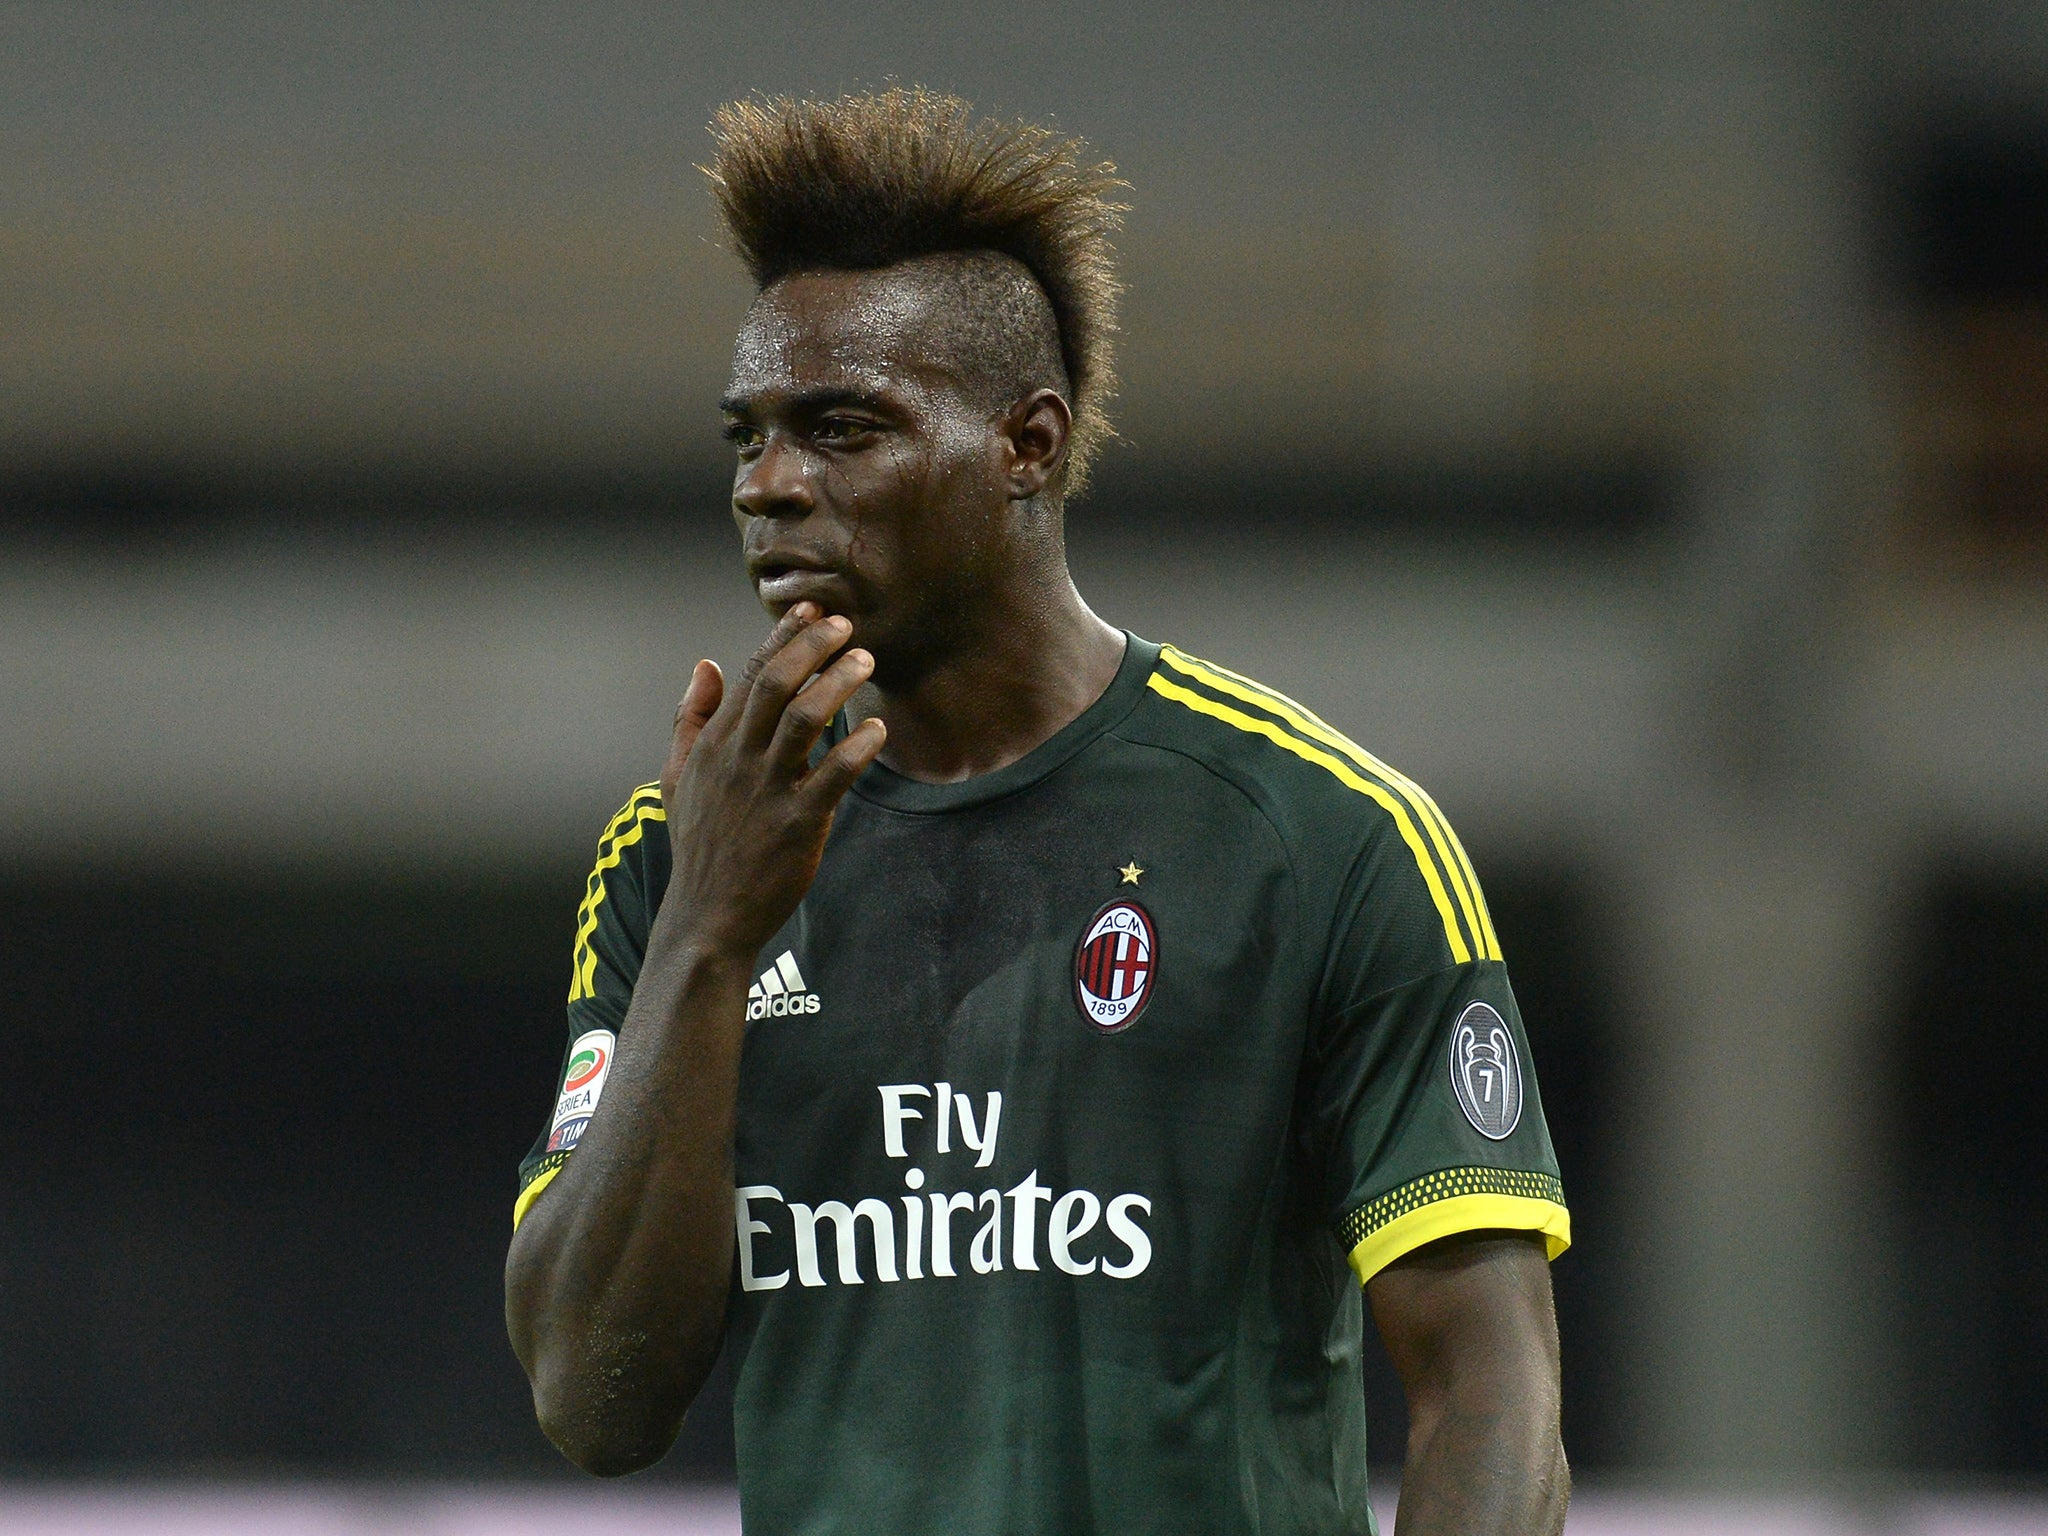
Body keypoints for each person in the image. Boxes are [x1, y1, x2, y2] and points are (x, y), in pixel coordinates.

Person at [505, 88, 1571, 1536]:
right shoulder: (672, 860)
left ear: (1028, 443)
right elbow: (591, 1397)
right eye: (747, 436)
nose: (770, 486)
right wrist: (709, 927)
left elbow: (1491, 1400)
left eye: (842, 428)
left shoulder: (1321, 837)